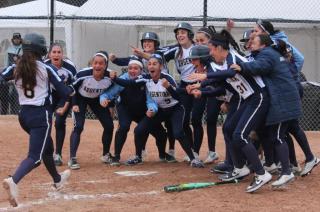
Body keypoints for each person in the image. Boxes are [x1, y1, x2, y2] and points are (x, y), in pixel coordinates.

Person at [189, 31, 272, 193]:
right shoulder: (226, 62)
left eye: (212, 49)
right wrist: (201, 87)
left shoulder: (232, 57)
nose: (210, 53)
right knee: (229, 129)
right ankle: (240, 168)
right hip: (249, 100)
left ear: (220, 48)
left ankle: (261, 174)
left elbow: (231, 73)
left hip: (258, 98)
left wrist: (205, 76)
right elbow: (223, 84)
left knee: (239, 135)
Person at [0, 33, 73, 207]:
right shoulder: (46, 68)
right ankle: (13, 180)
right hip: (41, 116)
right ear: (41, 50)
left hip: (23, 115)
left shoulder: (15, 66)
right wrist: (73, 88)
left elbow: (2, 77)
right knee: (35, 157)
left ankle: (57, 179)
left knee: (47, 147)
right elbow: (65, 92)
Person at [113, 54, 204, 168]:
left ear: (160, 66)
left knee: (178, 133)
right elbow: (129, 83)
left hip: (175, 109)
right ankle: (138, 156)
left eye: (155, 64)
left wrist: (169, 87)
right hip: (161, 110)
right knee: (139, 129)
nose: (151, 66)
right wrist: (114, 78)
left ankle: (193, 159)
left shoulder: (167, 78)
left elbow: (178, 97)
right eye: (149, 64)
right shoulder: (146, 78)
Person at [100, 57, 176, 166]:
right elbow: (107, 94)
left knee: (160, 132)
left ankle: (162, 155)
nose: (132, 70)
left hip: (142, 110)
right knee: (124, 127)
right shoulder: (123, 79)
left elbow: (151, 100)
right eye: (130, 68)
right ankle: (117, 156)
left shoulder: (145, 80)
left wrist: (152, 109)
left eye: (136, 68)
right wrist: (103, 100)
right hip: (125, 108)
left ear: (141, 70)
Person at [69, 51, 114, 170]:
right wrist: (74, 104)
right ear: (92, 64)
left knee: (109, 126)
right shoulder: (83, 74)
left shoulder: (110, 76)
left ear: (105, 65)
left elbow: (112, 91)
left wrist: (110, 106)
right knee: (78, 126)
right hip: (80, 98)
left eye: (101, 64)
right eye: (95, 63)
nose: (98, 66)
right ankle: (72, 158)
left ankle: (105, 155)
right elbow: (72, 87)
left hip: (97, 100)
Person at [44, 43, 77, 166]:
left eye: (59, 52)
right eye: (54, 52)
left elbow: (73, 87)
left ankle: (57, 154)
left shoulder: (70, 67)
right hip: (49, 95)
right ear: (49, 54)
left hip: (64, 96)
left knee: (59, 122)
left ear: (62, 54)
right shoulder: (44, 65)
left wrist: (67, 104)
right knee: (45, 124)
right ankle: (47, 151)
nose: (56, 54)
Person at [1, 33, 23, 114]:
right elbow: (7, 64)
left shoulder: (23, 49)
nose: (16, 40)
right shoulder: (9, 49)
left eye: (18, 38)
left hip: (20, 74)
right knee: (8, 95)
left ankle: (16, 112)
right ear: (12, 39)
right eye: (15, 38)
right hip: (10, 74)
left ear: (20, 39)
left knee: (16, 95)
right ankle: (5, 112)